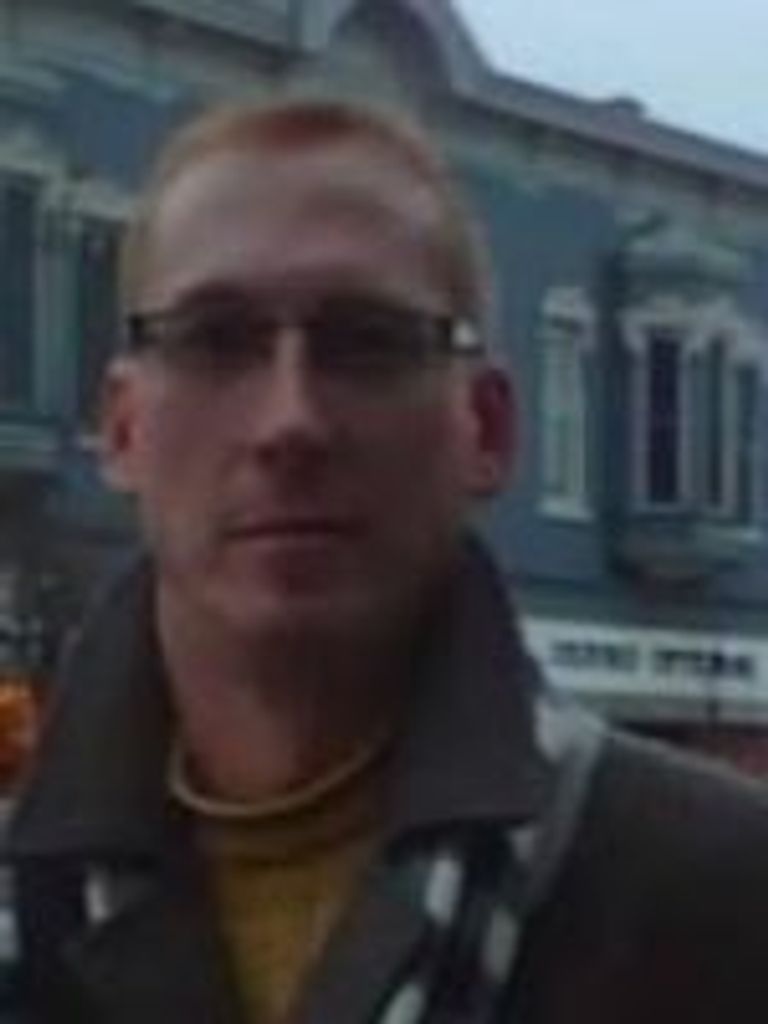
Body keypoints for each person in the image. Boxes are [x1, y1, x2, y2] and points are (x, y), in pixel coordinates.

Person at [4, 98, 768, 1024]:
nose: (289, 421)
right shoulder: (30, 915)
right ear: (123, 428)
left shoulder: (720, 902)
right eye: (216, 341)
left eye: (367, 344)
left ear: (486, 429)